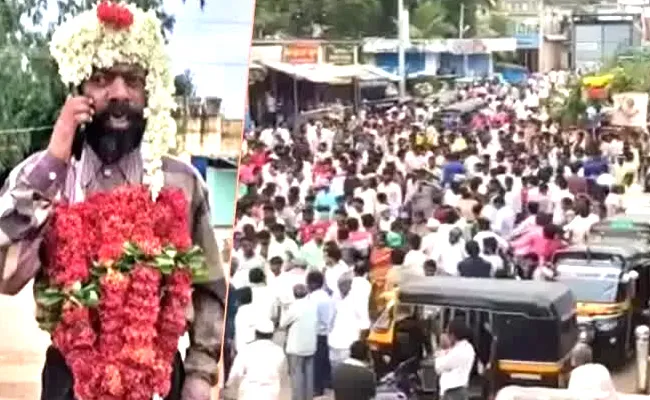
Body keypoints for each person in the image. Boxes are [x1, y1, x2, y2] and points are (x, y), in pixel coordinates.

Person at [0, 4, 225, 399]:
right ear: (79, 89)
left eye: (133, 80)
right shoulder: (44, 176)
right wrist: (53, 160)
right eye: (103, 79)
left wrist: (200, 374)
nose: (119, 93)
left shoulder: (180, 183)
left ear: (147, 91)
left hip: (159, 378)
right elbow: (5, 274)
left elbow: (211, 287)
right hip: (71, 379)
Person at [226, 319, 287, 400]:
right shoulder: (279, 352)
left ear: (255, 334)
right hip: (271, 393)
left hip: (249, 392)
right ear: (272, 335)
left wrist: (228, 384)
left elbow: (236, 372)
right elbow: (282, 373)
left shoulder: (247, 349)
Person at [280, 284, 319, 400]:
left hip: (296, 347)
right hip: (311, 345)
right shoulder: (312, 305)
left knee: (297, 376)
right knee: (309, 376)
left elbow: (282, 323)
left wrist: (284, 307)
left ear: (294, 294)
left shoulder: (294, 307)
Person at [307, 270, 334, 397]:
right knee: (324, 360)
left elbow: (311, 317)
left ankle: (317, 388)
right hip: (327, 333)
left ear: (312, 284)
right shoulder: (328, 296)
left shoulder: (313, 298)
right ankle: (327, 383)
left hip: (316, 333)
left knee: (316, 362)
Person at [435, 318, 476, 400]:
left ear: (453, 335)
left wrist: (442, 350)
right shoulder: (466, 348)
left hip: (453, 392)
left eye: (447, 333)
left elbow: (439, 367)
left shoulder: (459, 351)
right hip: (456, 391)